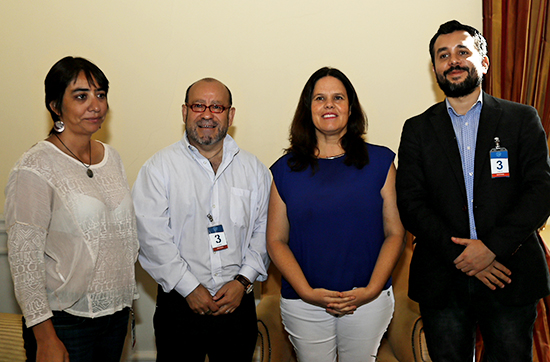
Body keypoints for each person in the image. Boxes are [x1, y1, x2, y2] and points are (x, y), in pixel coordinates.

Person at [396, 20, 550, 362]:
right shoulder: (417, 129)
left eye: (462, 52)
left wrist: (491, 249)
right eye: (443, 55)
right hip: (442, 277)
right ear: (434, 67)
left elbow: (540, 191)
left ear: (483, 61)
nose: (453, 61)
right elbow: (410, 202)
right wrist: (465, 257)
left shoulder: (522, 119)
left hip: (509, 274)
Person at [5, 56, 139, 362]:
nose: (96, 105)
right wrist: (45, 336)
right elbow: (25, 260)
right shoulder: (36, 166)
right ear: (55, 106)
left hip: (115, 316)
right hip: (65, 322)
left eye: (101, 94)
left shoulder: (112, 157)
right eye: (81, 96)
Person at [267, 67, 406, 362]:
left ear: (350, 108)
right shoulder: (284, 169)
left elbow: (396, 232)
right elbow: (276, 240)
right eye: (319, 98)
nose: (329, 104)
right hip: (304, 303)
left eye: (338, 97)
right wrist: (307, 292)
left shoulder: (381, 161)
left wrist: (370, 290)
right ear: (308, 109)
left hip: (368, 301)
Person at [132, 77, 271, 362]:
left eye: (217, 106)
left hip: (237, 304)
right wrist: (189, 287)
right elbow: (151, 236)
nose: (207, 114)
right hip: (179, 306)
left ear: (230, 115)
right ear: (184, 112)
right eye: (198, 105)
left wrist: (243, 281)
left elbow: (265, 230)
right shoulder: (159, 168)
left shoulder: (254, 170)